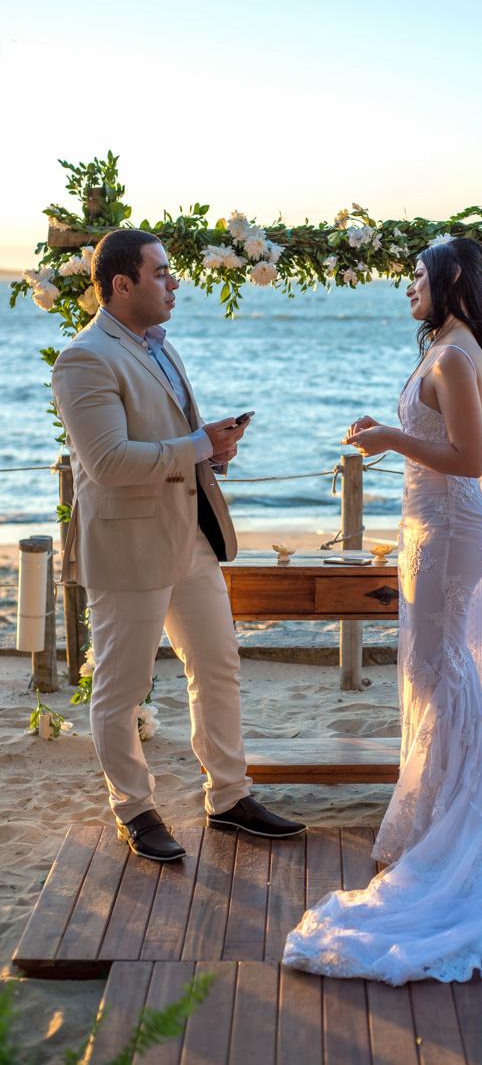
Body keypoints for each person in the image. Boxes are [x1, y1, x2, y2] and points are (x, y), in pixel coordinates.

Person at [283, 237, 482, 984]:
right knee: (431, 674)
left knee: (438, 673)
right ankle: (441, 814)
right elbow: (443, 441)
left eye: (415, 277)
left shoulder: (451, 354)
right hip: (430, 527)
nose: (406, 288)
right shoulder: (452, 346)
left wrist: (385, 438)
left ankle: (453, 828)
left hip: (447, 526)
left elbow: (468, 459)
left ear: (446, 281)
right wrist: (396, 438)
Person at [51, 229, 305, 862]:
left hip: (189, 536)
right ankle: (134, 809)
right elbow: (108, 461)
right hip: (130, 547)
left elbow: (169, 440)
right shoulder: (84, 358)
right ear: (122, 284)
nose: (174, 282)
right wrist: (195, 446)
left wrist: (210, 450)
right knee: (122, 685)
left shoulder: (163, 348)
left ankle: (228, 798)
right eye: (161, 273)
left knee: (218, 666)